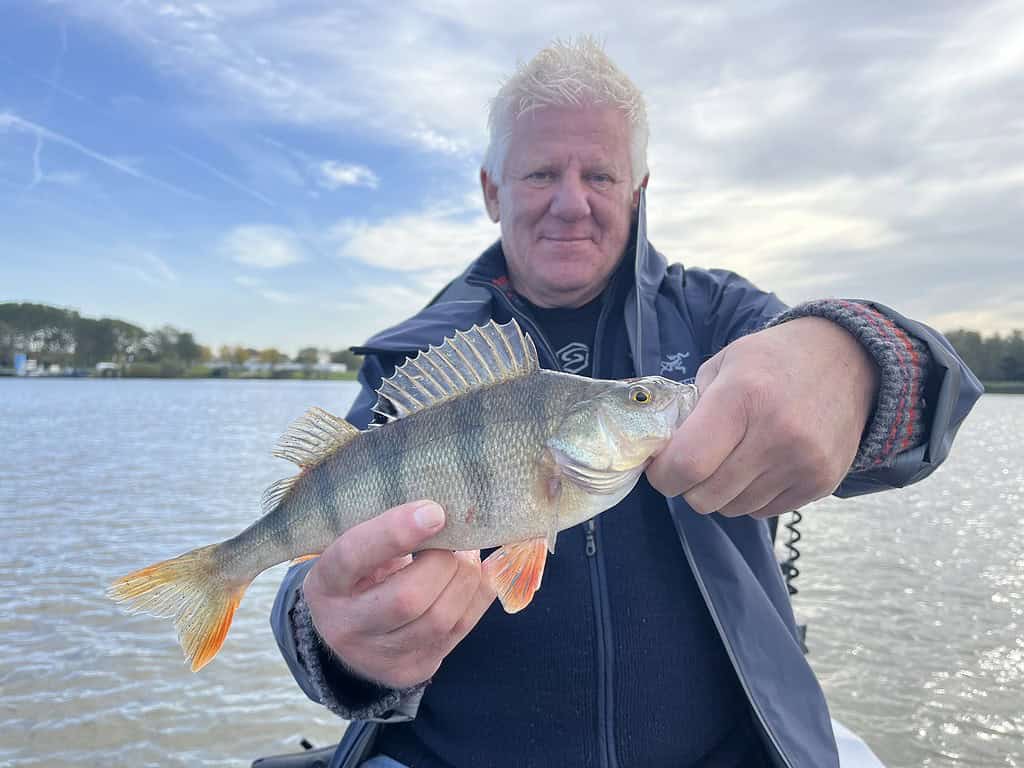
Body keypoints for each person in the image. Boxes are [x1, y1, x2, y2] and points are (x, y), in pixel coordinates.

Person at [271, 38, 982, 768]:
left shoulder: (719, 318)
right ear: (492, 191)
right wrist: (336, 636)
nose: (571, 202)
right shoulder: (410, 360)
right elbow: (311, 570)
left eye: (601, 175)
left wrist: (856, 361)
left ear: (639, 190)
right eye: (542, 172)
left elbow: (927, 404)